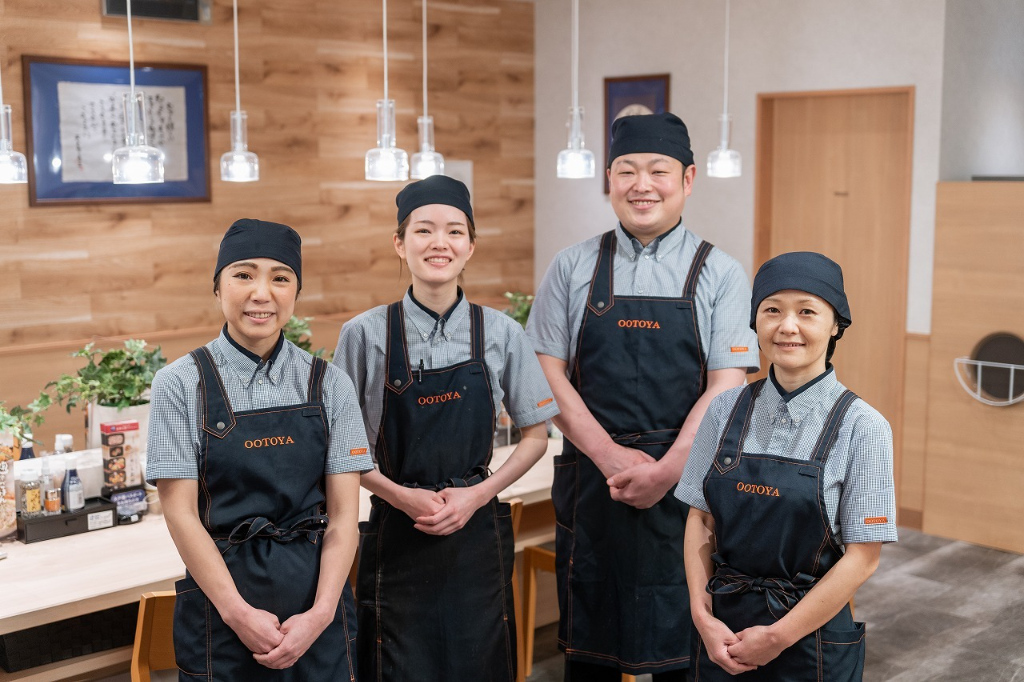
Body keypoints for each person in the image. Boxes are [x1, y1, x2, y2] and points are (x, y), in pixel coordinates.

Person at [527, 112, 760, 681]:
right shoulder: (572, 266)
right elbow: (545, 375)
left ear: (688, 179)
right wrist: (608, 455)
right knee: (589, 654)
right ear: (609, 179)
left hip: (684, 494)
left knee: (684, 648)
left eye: (658, 170)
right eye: (626, 171)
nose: (642, 184)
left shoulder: (722, 273)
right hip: (593, 483)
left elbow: (726, 386)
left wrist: (670, 471)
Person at [333, 174, 560, 682]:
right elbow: (343, 451)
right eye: (424, 230)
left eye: (455, 232)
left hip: (475, 532)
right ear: (399, 242)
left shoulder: (502, 331)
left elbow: (535, 438)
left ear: (471, 246)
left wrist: (477, 495)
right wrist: (403, 497)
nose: (441, 243)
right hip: (397, 529)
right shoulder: (364, 334)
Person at [147, 218, 371, 680]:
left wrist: (323, 612)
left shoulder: (330, 383)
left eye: (280, 278)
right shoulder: (179, 384)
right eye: (243, 274)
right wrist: (237, 613)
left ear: (295, 292)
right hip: (224, 614)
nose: (261, 293)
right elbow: (180, 514)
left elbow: (346, 516)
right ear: (217, 287)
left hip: (317, 609)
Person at [675, 251, 898, 680]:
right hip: (722, 627)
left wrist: (776, 637)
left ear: (836, 326)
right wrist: (702, 616)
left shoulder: (864, 426)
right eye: (772, 310)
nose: (787, 326)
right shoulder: (723, 409)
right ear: (756, 322)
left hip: (808, 637)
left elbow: (863, 558)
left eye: (807, 311)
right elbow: (700, 518)